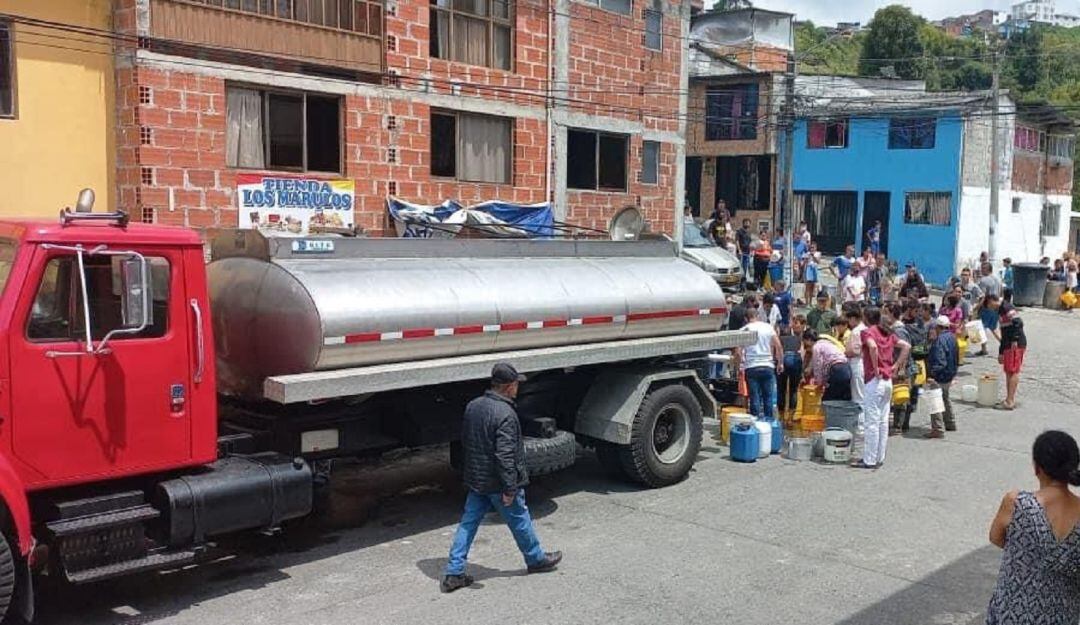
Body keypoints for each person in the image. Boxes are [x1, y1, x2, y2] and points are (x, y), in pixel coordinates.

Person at [442, 363, 561, 592]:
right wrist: (510, 488)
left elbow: (467, 442)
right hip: (497, 482)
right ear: (508, 387)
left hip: (478, 481)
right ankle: (536, 559)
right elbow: (505, 456)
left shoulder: (473, 406)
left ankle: (454, 572)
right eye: (516, 384)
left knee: (468, 524)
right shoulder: (506, 414)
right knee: (519, 518)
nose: (518, 388)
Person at [986, 430, 1080, 625]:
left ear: (1037, 467)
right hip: (1063, 616)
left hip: (1011, 614)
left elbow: (996, 537)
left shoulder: (1016, 503)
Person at [855, 307, 910, 470]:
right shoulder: (886, 332)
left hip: (874, 379)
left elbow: (872, 347)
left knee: (871, 420)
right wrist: (896, 365)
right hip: (888, 381)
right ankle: (879, 456)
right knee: (883, 420)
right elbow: (906, 346)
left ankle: (869, 459)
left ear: (866, 317)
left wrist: (875, 366)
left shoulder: (868, 332)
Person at [739, 307, 783, 421]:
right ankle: (768, 424)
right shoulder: (768, 327)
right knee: (768, 397)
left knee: (754, 397)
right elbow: (778, 346)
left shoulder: (744, 330)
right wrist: (780, 363)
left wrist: (739, 366)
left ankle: (755, 424)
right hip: (767, 365)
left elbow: (738, 352)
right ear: (757, 316)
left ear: (746, 318)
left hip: (751, 367)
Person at [924, 315, 958, 439]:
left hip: (940, 375)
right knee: (945, 398)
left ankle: (937, 428)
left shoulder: (939, 341)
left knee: (935, 400)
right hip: (950, 373)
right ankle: (950, 422)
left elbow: (940, 361)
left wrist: (932, 374)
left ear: (938, 327)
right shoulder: (952, 338)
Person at [803, 327, 852, 401]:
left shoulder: (816, 347)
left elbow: (818, 367)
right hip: (846, 368)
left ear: (809, 340)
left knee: (827, 399)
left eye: (805, 342)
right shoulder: (825, 342)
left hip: (837, 369)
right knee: (842, 398)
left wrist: (819, 384)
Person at [996, 299, 1026, 411]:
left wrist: (1015, 340)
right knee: (1008, 371)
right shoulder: (1000, 311)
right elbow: (1003, 333)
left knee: (1013, 371)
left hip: (1015, 345)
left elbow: (1018, 322)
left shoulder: (1006, 308)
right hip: (1008, 345)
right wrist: (1001, 352)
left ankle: (1010, 401)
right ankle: (1008, 398)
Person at [843, 304, 867, 430]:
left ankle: (861, 425)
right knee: (861, 394)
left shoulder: (857, 331)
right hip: (863, 364)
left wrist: (845, 352)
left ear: (854, 318)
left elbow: (854, 350)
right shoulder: (865, 329)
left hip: (857, 363)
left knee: (858, 396)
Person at [777, 315, 806, 419]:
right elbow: (802, 354)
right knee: (793, 390)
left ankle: (780, 417)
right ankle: (790, 418)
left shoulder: (780, 338)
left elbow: (777, 351)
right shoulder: (799, 339)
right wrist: (802, 372)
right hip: (795, 362)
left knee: (781, 389)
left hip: (783, 361)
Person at [978, 292, 1002, 357]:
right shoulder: (991, 300)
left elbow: (979, 307)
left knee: (983, 330)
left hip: (987, 313)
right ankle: (984, 349)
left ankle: (984, 349)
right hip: (989, 313)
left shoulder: (985, 300)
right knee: (988, 330)